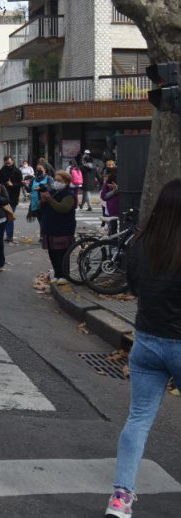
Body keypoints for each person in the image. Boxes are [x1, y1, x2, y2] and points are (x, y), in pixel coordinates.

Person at [105, 179, 181, 518]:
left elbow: (133, 289)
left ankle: (120, 499)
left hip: (147, 342)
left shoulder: (140, 243)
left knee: (137, 420)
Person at [39, 169, 76, 285]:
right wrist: (44, 200)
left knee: (62, 253)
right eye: (55, 180)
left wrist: (49, 200)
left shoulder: (69, 195)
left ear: (66, 182)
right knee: (53, 253)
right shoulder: (54, 192)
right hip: (50, 228)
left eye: (59, 180)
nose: (56, 182)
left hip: (63, 229)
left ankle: (65, 275)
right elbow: (42, 207)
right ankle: (57, 274)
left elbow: (63, 208)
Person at [0, 156, 23, 243]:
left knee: (9, 216)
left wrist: (13, 184)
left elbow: (20, 183)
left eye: (9, 163)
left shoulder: (17, 171)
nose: (8, 165)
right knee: (2, 216)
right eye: (6, 163)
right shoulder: (1, 171)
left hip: (13, 197)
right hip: (3, 197)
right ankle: (1, 234)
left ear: (12, 161)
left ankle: (9, 235)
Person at [101, 168, 120, 236]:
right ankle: (114, 244)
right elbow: (104, 196)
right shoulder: (109, 182)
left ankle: (113, 244)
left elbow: (104, 196)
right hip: (116, 208)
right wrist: (115, 191)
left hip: (113, 208)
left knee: (113, 228)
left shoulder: (109, 181)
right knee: (114, 228)